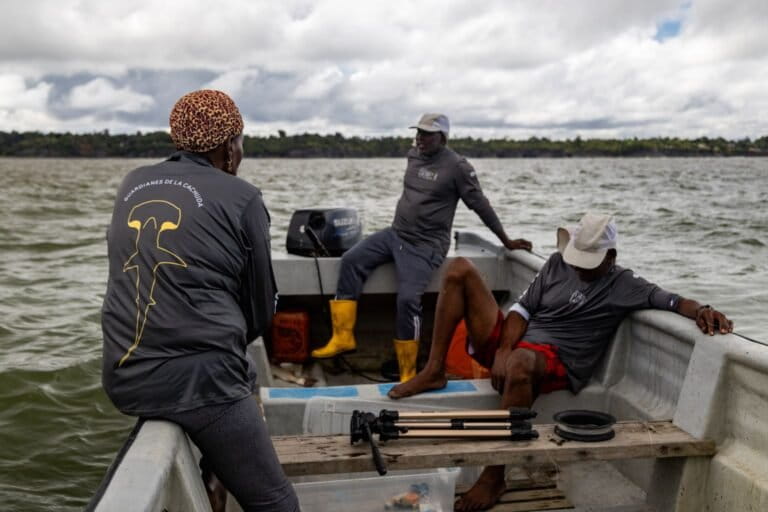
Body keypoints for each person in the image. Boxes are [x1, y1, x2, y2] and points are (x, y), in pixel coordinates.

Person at [388, 212, 733, 511]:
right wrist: (504, 350)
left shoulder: (625, 285)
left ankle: (494, 475)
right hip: (519, 344)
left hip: (556, 360)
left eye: (589, 261)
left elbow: (671, 302)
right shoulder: (556, 263)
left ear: (611, 257)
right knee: (460, 268)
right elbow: (521, 311)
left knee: (522, 361)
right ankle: (433, 370)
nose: (577, 266)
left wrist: (702, 311)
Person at [101, 90, 299, 512]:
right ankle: (221, 472)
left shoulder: (132, 182)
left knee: (239, 371)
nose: (241, 153)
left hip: (126, 378)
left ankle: (214, 478)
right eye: (240, 142)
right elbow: (261, 309)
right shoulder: (243, 197)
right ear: (229, 147)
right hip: (202, 383)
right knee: (277, 501)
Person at [311, 113, 532, 382]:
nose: (420, 138)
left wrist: (506, 240)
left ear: (442, 137)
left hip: (426, 245)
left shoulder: (458, 167)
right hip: (395, 234)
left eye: (427, 134)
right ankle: (343, 336)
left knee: (407, 300)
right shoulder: (413, 154)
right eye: (418, 132)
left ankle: (407, 372)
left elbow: (480, 205)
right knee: (351, 260)